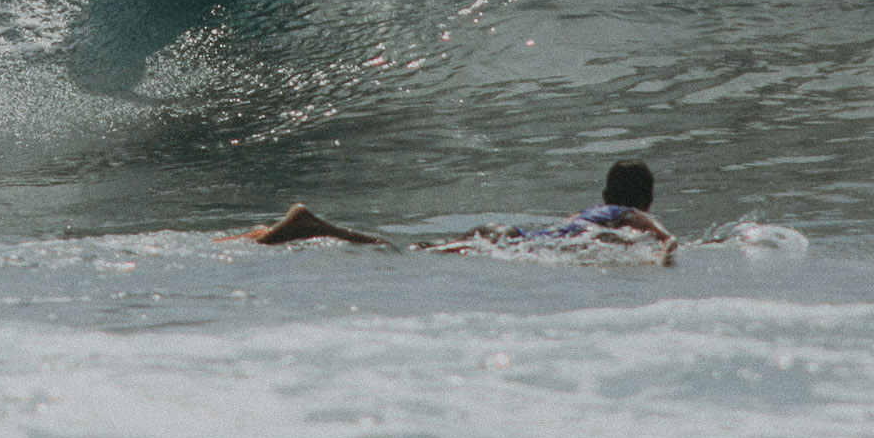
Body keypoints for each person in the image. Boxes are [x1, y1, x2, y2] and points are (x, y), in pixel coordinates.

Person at [225, 160, 680, 265]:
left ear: (603, 190)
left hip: (508, 234)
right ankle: (307, 224)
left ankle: (275, 231)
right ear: (648, 198)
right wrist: (665, 242)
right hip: (511, 241)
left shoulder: (595, 211)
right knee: (403, 255)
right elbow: (650, 227)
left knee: (415, 250)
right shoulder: (621, 214)